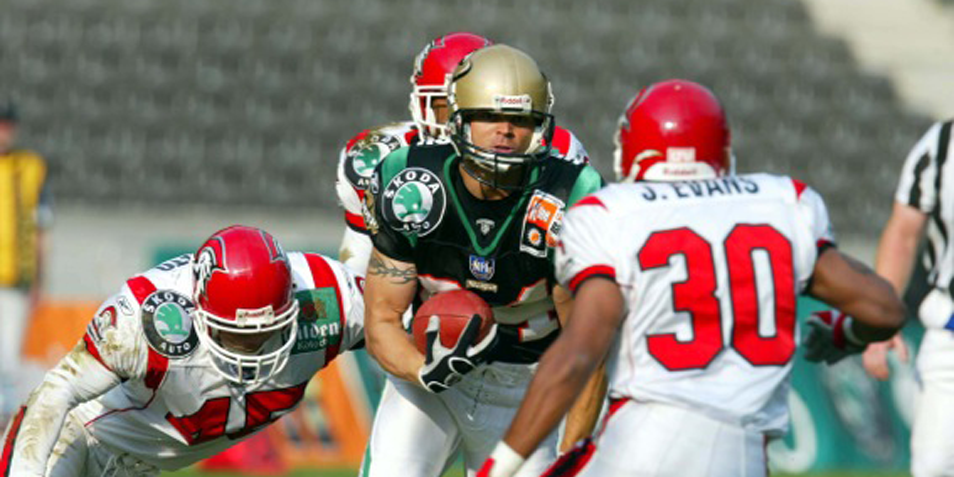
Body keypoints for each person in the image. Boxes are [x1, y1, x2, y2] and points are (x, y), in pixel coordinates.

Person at [476, 80, 907, 477]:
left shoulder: (611, 214)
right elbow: (884, 309)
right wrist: (847, 334)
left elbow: (578, 354)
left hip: (646, 439)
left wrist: (498, 467)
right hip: (744, 453)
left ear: (633, 149)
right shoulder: (781, 204)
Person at [360, 44, 605, 477]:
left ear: (540, 128)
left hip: (531, 385)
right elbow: (382, 320)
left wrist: (571, 457)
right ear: (459, 120)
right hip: (432, 372)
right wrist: (425, 371)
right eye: (489, 116)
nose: (505, 131)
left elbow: (587, 351)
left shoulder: (565, 197)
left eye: (520, 120)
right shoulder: (411, 181)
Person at [0, 225, 365, 476]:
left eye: (265, 332)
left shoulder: (328, 295)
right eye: (235, 334)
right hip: (80, 434)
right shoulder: (148, 318)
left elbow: (389, 324)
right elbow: (56, 391)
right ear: (199, 307)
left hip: (137, 465)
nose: (251, 348)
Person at [335, 32, 589, 275]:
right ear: (420, 104)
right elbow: (360, 276)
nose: (455, 124)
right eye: (446, 108)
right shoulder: (384, 160)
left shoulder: (557, 153)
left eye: (478, 111)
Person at [862, 119, 954, 477]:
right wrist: (881, 318)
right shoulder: (943, 143)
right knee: (934, 465)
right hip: (950, 332)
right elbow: (903, 233)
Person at [0, 98, 52, 421]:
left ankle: (4, 427)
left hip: (14, 281)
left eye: (6, 125)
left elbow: (40, 229)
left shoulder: (29, 167)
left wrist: (39, 279)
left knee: (7, 360)